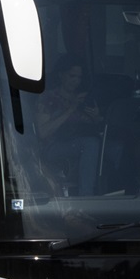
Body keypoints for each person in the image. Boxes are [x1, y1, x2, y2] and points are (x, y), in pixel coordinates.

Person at [34, 55, 105, 196]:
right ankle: (87, 197)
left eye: (79, 77)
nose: (76, 81)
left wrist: (97, 117)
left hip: (84, 141)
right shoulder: (47, 98)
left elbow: (98, 128)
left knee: (116, 148)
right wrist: (71, 109)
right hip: (53, 146)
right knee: (91, 144)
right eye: (72, 76)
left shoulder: (84, 98)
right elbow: (43, 132)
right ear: (61, 75)